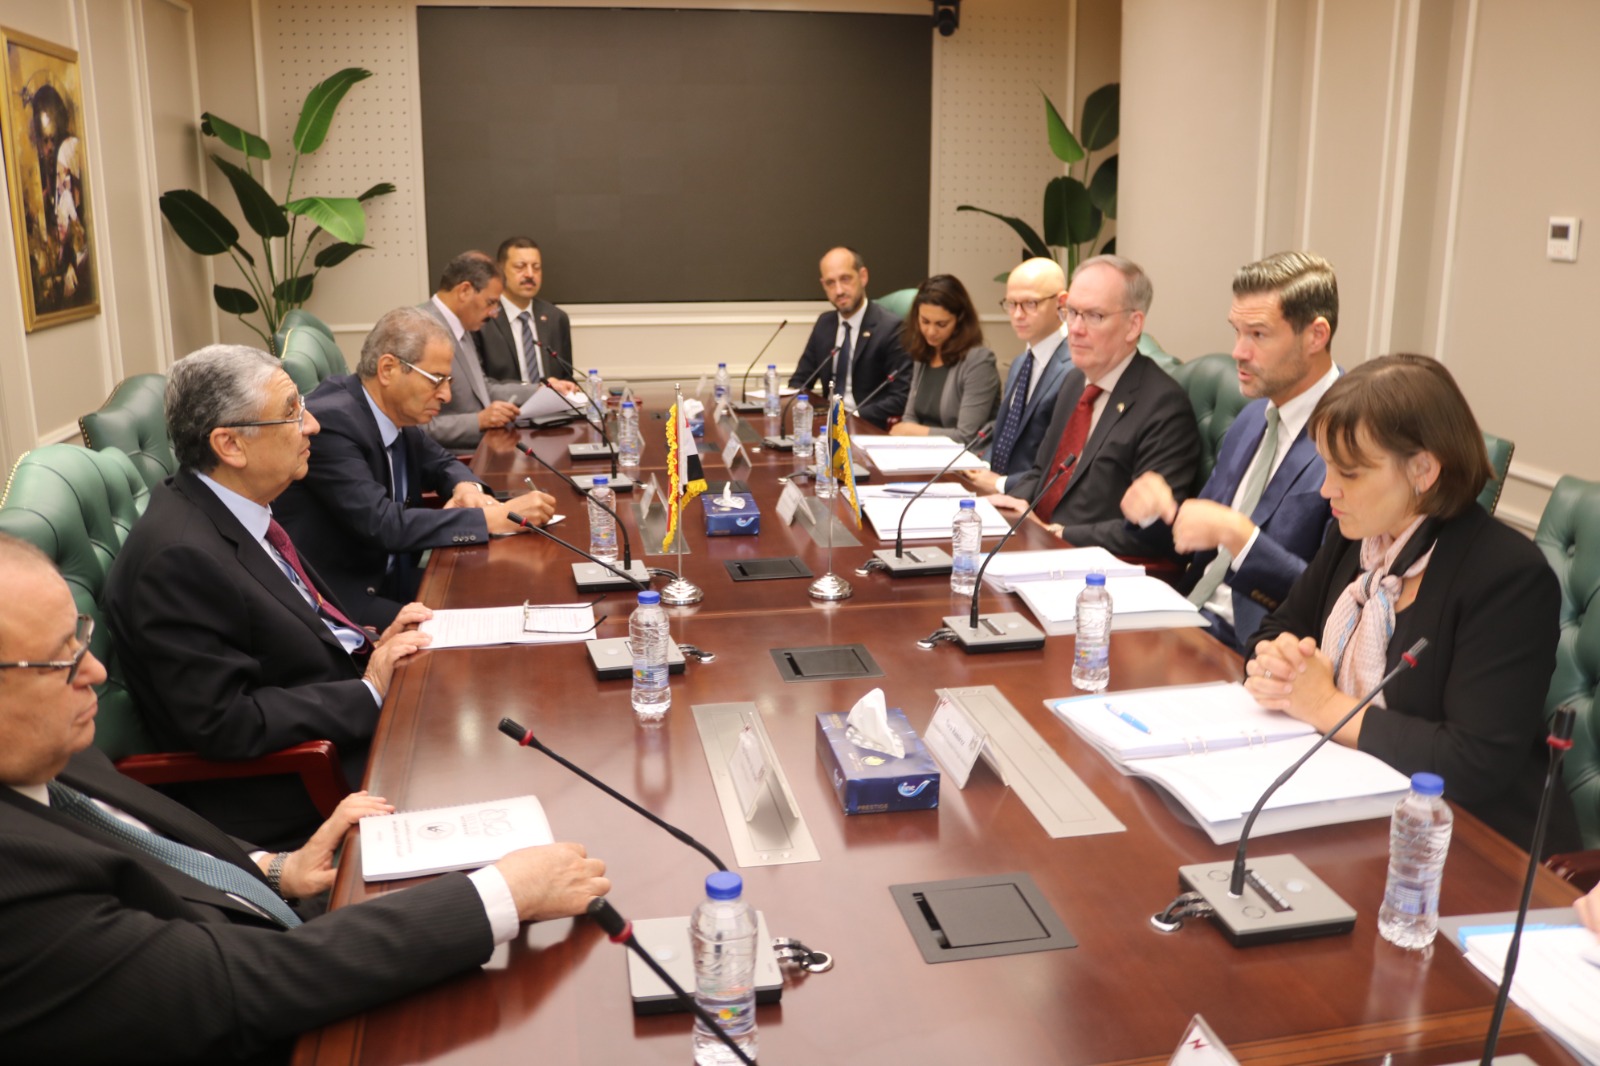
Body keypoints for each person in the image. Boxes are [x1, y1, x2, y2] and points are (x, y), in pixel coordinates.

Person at [0, 535, 610, 1064]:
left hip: (266, 930)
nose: (94, 672)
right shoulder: (15, 880)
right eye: (60, 660)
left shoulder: (40, 749)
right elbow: (236, 986)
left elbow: (137, 841)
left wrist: (276, 868)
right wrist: (499, 895)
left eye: (80, 639)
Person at [1245, 354, 1579, 854]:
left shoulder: (1508, 577)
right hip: (1347, 796)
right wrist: (1279, 660)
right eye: (1327, 466)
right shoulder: (1358, 539)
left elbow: (1472, 761)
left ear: (1423, 469)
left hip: (1471, 841)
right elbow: (1274, 630)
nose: (1327, 489)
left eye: (1349, 473)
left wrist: (1327, 706)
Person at [104, 345, 433, 848]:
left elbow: (292, 630)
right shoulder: (178, 558)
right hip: (297, 788)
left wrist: (373, 642)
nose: (313, 426)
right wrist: (369, 690)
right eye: (292, 412)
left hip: (340, 728)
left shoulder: (236, 505)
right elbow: (226, 722)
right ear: (230, 445)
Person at [274, 307, 556, 630]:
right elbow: (383, 524)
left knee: (511, 594)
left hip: (397, 580)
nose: (446, 395)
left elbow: (442, 462)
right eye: (436, 380)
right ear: (388, 369)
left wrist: (467, 489)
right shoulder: (333, 421)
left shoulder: (394, 414)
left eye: (448, 381)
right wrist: (494, 517)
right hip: (343, 602)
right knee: (484, 626)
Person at [1121, 251, 1341, 651]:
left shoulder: (1353, 435)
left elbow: (1334, 601)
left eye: (1257, 334)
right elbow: (1204, 534)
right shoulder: (1253, 417)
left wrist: (1242, 538)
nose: (1238, 351)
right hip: (1185, 615)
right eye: (1237, 331)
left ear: (1316, 335)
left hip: (1256, 649)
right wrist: (1160, 513)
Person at [984, 255, 1200, 557]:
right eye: (1072, 312)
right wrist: (998, 506)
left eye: (1094, 316)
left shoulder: (1163, 406)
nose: (1075, 328)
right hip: (1035, 546)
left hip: (1093, 566)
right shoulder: (1075, 381)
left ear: (1133, 325)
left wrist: (1056, 533)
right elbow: (1041, 474)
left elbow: (1154, 532)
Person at [958, 258, 1074, 487]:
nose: (1018, 314)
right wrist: (983, 466)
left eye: (1030, 303)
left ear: (1061, 302)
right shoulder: (1021, 362)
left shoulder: (1075, 369)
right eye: (1011, 304)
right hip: (995, 488)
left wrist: (1001, 484)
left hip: (1032, 498)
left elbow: (1062, 460)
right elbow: (1006, 437)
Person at [421, 251, 537, 449]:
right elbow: (413, 427)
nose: (494, 314)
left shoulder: (463, 327)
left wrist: (539, 391)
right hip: (449, 460)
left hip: (483, 452)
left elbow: (482, 390)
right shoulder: (420, 330)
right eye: (490, 302)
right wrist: (478, 421)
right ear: (464, 291)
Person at [787, 246, 911, 428]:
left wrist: (854, 416)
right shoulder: (824, 324)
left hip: (867, 424)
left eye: (845, 279)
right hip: (826, 424)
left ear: (863, 277)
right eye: (830, 283)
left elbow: (901, 397)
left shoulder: (891, 328)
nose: (839, 290)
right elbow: (800, 381)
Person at [887, 274, 1000, 442]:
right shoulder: (924, 353)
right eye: (925, 321)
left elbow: (966, 436)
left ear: (960, 321)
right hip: (920, 451)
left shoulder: (979, 361)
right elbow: (910, 417)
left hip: (960, 456)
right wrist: (910, 431)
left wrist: (912, 431)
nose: (931, 332)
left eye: (941, 324)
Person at [478, 236, 581, 394]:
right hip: (505, 407)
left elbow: (566, 376)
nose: (530, 274)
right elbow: (480, 383)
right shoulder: (482, 319)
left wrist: (568, 387)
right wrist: (533, 390)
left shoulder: (556, 318)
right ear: (500, 270)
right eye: (520, 267)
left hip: (552, 407)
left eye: (536, 267)